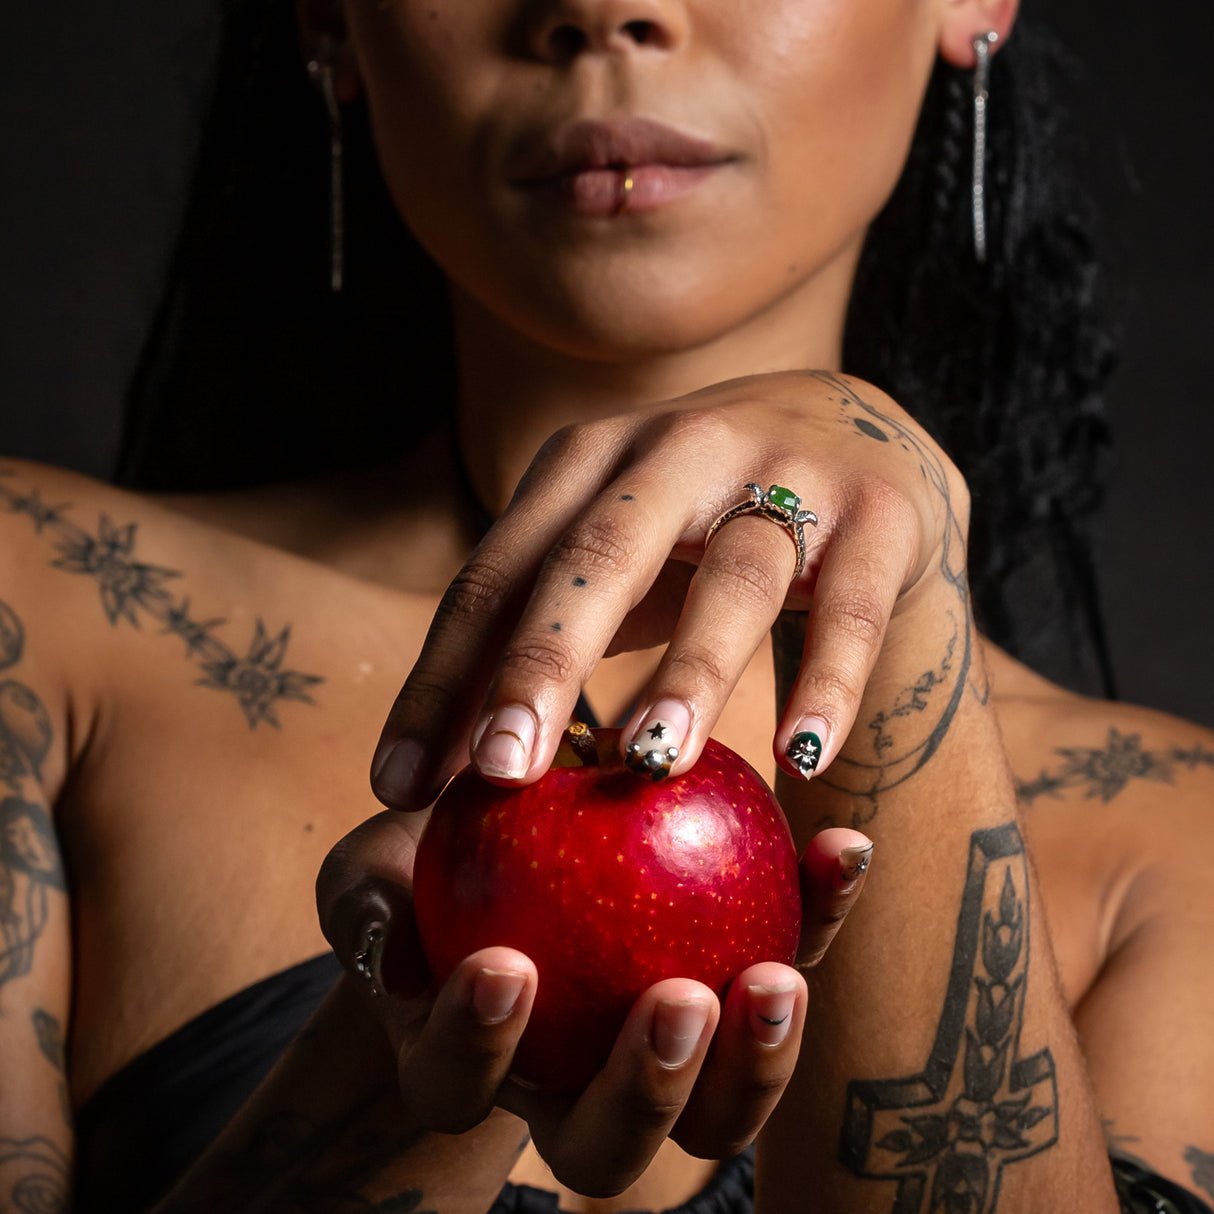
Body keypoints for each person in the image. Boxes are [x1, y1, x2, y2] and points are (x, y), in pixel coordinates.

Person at [2, 1, 1212, 1212]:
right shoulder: (39, 606)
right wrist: (400, 1065)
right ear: (325, 17)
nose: (600, 6)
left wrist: (899, 596)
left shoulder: (1178, 841)